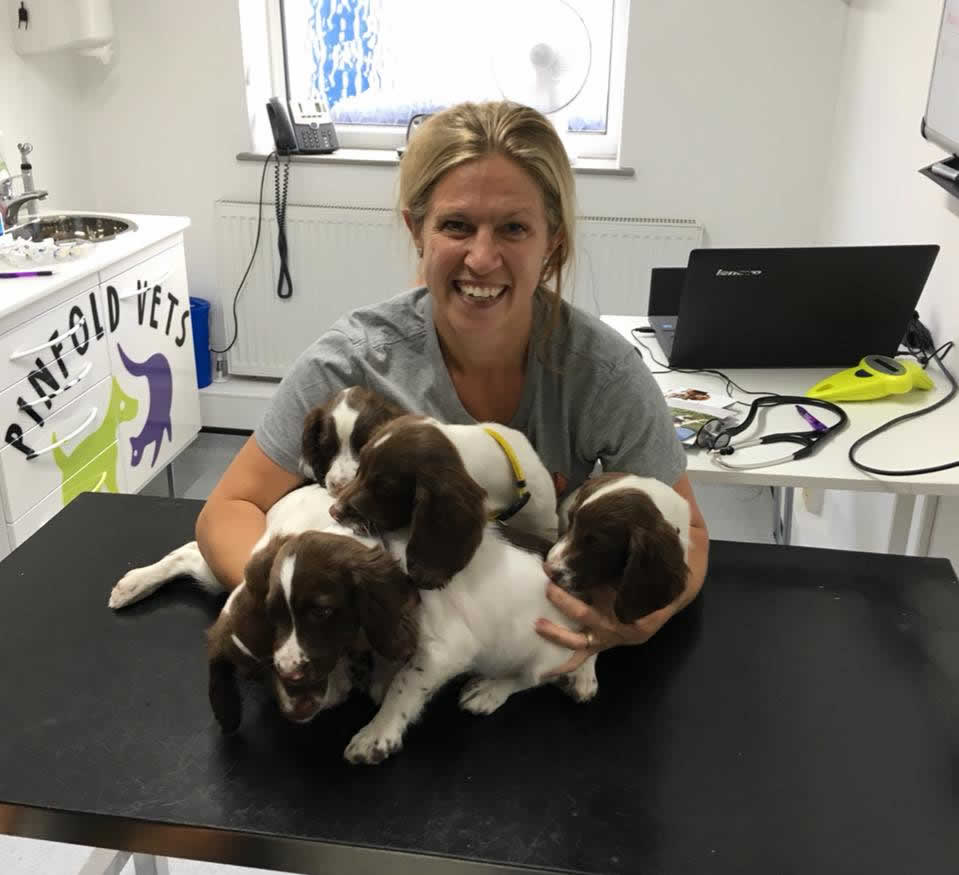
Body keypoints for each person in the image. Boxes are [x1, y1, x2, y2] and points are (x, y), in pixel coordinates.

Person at [196, 100, 709, 676]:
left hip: (526, 661)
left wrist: (633, 615)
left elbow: (686, 530)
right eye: (456, 225)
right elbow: (228, 510)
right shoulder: (353, 362)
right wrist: (302, 609)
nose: (482, 257)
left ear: (553, 243)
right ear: (418, 231)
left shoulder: (603, 374)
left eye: (514, 228)